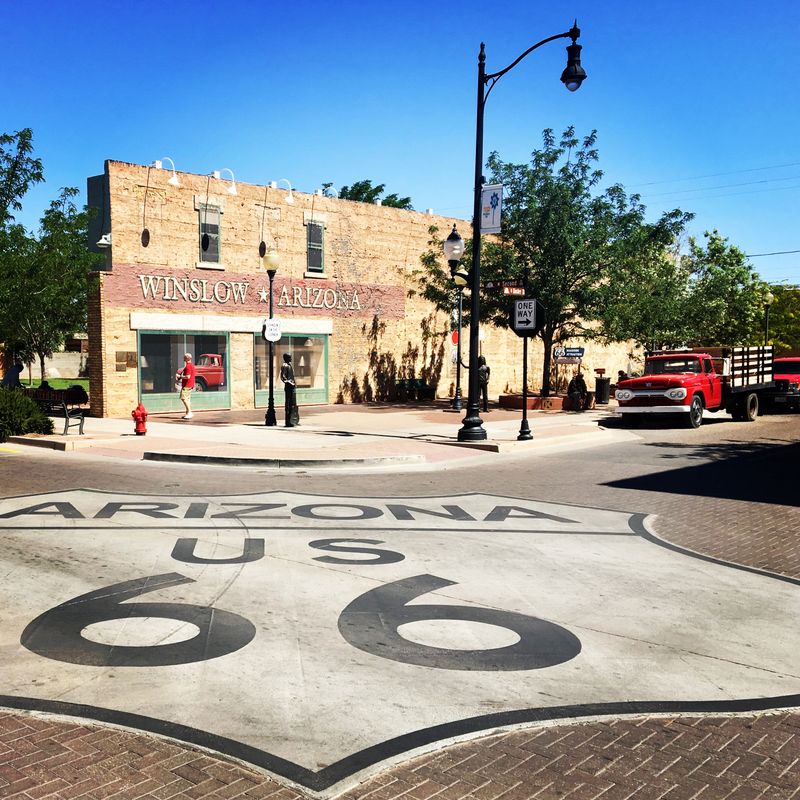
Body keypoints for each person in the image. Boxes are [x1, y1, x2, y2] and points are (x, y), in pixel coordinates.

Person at [281, 353, 300, 427]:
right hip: (289, 387)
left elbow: (292, 376)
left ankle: (293, 419)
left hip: (292, 386)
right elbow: (283, 377)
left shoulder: (290, 365)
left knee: (293, 403)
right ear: (286, 358)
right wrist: (290, 383)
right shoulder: (285, 366)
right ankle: (288, 421)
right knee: (288, 403)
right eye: (289, 357)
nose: (291, 359)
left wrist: (294, 383)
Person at [176, 352, 195, 420]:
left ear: (187, 358)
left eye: (184, 357)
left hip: (187, 385)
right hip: (190, 385)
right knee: (187, 399)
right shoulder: (191, 365)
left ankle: (189, 412)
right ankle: (187, 412)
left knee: (183, 398)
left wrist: (180, 376)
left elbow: (188, 377)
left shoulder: (188, 366)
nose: (183, 358)